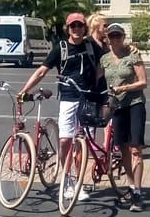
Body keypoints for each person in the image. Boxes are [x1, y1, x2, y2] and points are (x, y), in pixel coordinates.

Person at [19, 12, 105, 201]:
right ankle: (67, 180)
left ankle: (78, 182)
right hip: (68, 98)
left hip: (89, 100)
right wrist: (25, 90)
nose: (77, 29)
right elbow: (42, 71)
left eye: (80, 26)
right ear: (68, 28)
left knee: (83, 144)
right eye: (73, 26)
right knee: (66, 140)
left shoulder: (92, 46)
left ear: (84, 28)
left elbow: (105, 63)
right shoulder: (61, 48)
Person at [101, 23, 149, 211]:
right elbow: (96, 77)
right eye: (112, 36)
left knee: (136, 148)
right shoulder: (104, 59)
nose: (115, 39)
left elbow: (143, 82)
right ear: (108, 38)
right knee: (123, 149)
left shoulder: (133, 55)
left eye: (118, 36)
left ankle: (137, 191)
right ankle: (130, 185)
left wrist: (124, 88)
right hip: (117, 107)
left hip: (135, 104)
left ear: (123, 37)